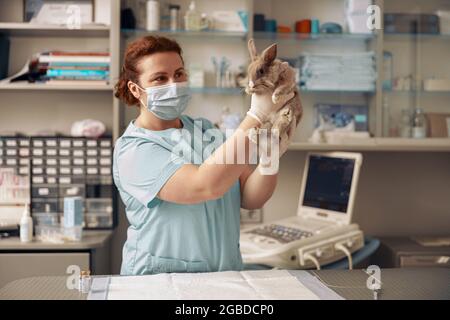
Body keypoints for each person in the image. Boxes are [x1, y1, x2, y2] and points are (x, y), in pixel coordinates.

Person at [113, 36, 298, 275]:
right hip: (160, 282)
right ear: (135, 90)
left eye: (179, 74)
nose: (174, 83)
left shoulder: (205, 129)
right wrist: (256, 115)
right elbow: (205, 186)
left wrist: (269, 159)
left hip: (224, 276)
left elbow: (251, 198)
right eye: (160, 78)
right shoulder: (135, 150)